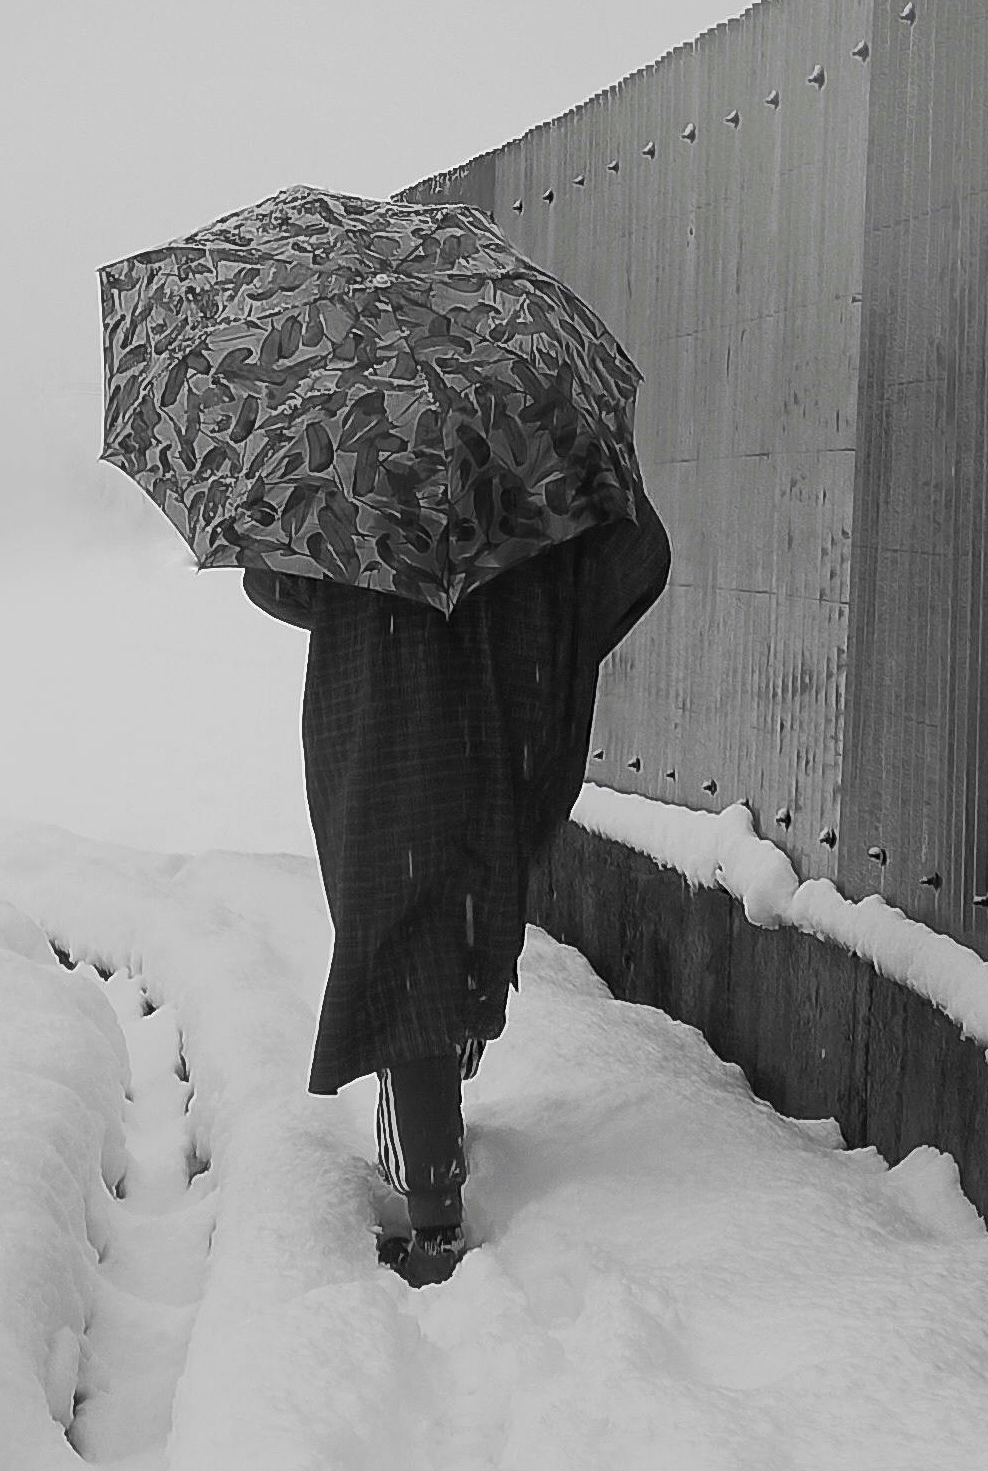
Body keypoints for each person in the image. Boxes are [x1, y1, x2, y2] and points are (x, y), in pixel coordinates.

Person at [243, 495, 672, 1279]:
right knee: (455, 930)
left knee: (405, 948)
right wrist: (539, 622)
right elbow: (638, 559)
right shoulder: (529, 470)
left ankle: (433, 1211)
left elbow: (277, 585)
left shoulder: (347, 469)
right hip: (491, 726)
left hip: (382, 729)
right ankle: (432, 1112)